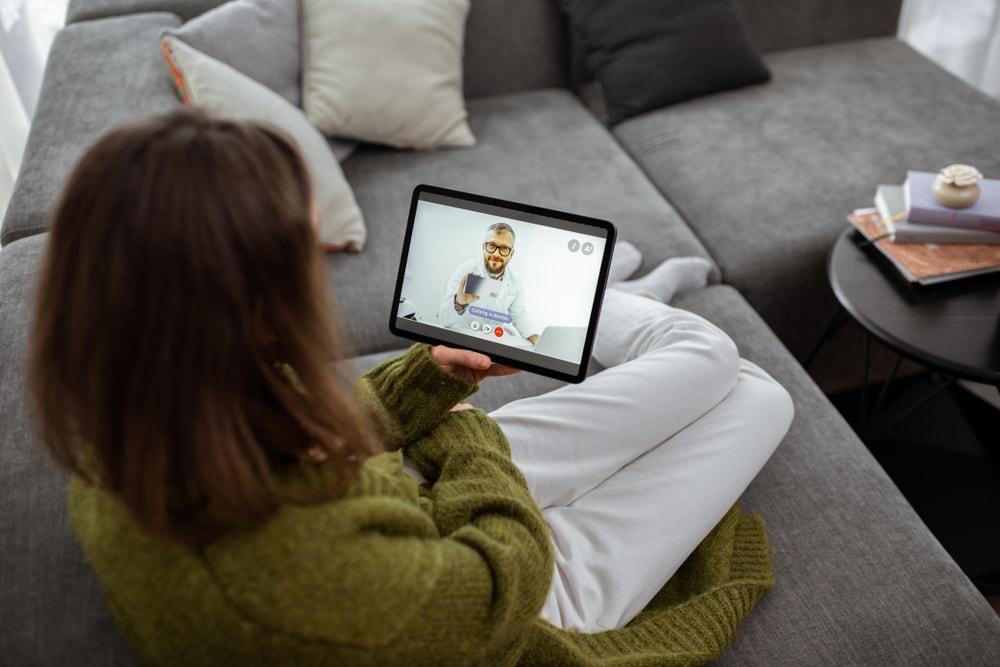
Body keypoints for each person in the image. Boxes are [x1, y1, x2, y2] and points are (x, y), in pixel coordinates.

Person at [28, 108, 794, 666]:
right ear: (258, 308)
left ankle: (597, 301)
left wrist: (425, 377)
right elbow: (503, 581)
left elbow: (299, 429)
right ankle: (599, 301)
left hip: (416, 498)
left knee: (715, 364)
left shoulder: (134, 413)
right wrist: (463, 427)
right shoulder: (302, 592)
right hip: (527, 591)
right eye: (310, 253)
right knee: (754, 388)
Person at [437, 222, 541, 345]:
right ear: (483, 247)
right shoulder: (465, 270)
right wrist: (459, 303)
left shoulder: (515, 280)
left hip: (493, 342)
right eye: (491, 246)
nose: (496, 254)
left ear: (511, 254)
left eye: (504, 248)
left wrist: (537, 339)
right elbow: (444, 319)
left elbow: (519, 315)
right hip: (463, 339)